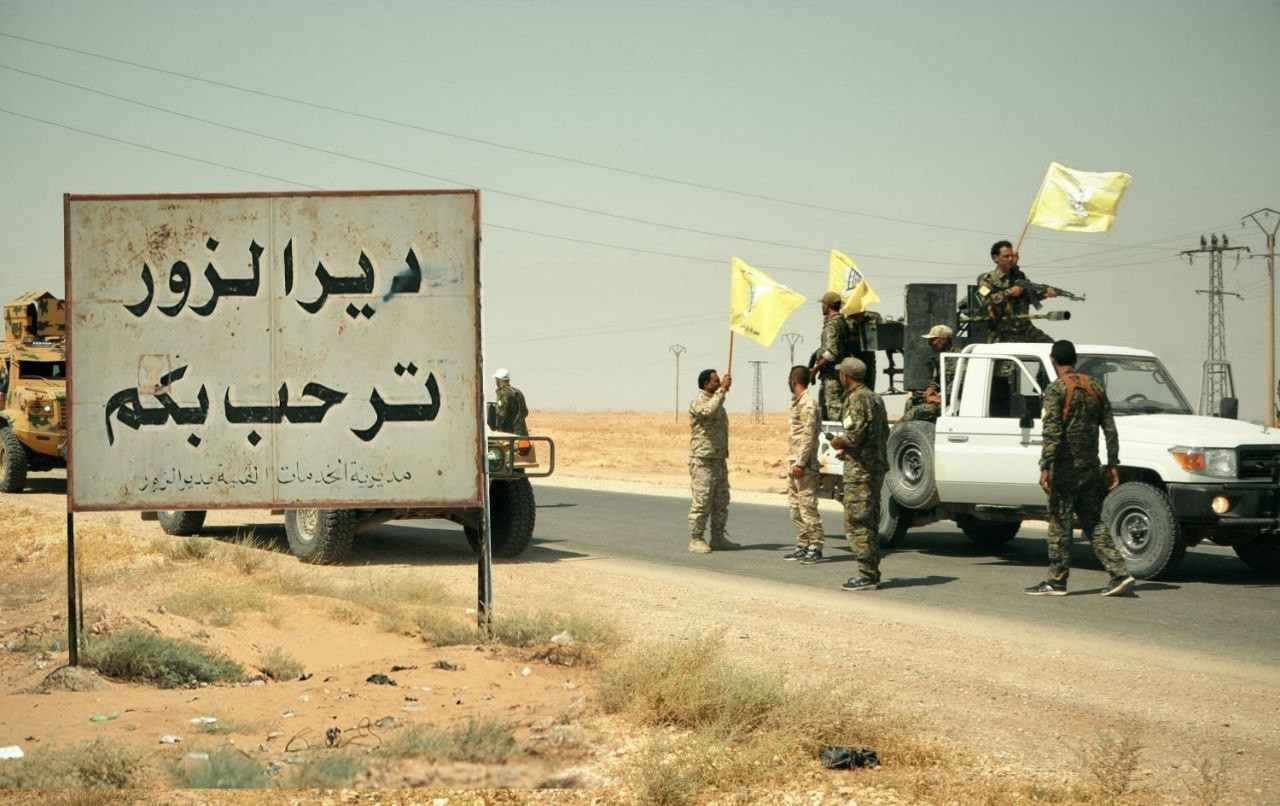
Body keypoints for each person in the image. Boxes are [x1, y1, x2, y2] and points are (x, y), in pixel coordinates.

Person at [1025, 340, 1136, 597]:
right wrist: (1113, 463)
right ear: (1075, 360)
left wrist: (1045, 466)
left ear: (1053, 360)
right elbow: (1110, 428)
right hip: (1090, 467)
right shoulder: (1095, 386)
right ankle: (1120, 573)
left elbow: (1052, 431)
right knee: (1093, 521)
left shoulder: (1056, 389)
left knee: (1059, 522)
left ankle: (1057, 582)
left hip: (1065, 468)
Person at [828, 357, 889, 591]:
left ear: (845, 375)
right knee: (868, 520)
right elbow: (877, 434)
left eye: (840, 374)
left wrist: (839, 442)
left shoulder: (857, 398)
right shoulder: (875, 398)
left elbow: (856, 435)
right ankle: (870, 572)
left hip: (861, 471)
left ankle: (867, 575)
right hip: (871, 468)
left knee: (857, 522)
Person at [687, 368, 740, 554]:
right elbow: (708, 411)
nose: (719, 383)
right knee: (702, 500)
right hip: (703, 461)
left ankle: (718, 538)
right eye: (716, 381)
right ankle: (696, 538)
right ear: (706, 384)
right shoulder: (698, 402)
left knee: (721, 501)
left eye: (719, 381)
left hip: (718, 460)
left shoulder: (718, 403)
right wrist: (722, 390)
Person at [976, 240, 1059, 344]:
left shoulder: (1020, 276)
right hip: (1002, 331)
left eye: (1012, 256)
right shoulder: (987, 279)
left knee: (1052, 347)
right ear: (996, 258)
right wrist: (1009, 292)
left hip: (1025, 329)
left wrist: (1044, 295)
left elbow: (1028, 298)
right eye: (1006, 256)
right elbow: (985, 300)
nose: (1011, 259)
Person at [782, 365, 824, 564]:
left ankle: (815, 546)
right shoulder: (797, 403)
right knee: (795, 506)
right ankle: (803, 543)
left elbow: (808, 435)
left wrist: (800, 463)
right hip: (794, 462)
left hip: (804, 463)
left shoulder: (807, 404)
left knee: (807, 506)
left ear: (794, 381)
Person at [809, 292, 850, 420]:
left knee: (834, 414)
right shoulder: (841, 321)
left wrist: (815, 369)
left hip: (833, 377)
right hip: (839, 375)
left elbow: (832, 352)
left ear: (827, 305)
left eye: (823, 304)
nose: (822, 306)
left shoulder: (833, 324)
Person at [902, 324, 954, 423]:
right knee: (911, 402)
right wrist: (932, 388)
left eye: (933, 339)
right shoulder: (942, 358)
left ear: (944, 340)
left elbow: (961, 385)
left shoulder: (959, 358)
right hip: (943, 400)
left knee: (918, 410)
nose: (930, 343)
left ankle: (902, 429)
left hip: (952, 403)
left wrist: (941, 398)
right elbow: (938, 380)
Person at [493, 369, 528, 435]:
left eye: (496, 379)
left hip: (509, 435)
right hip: (522, 434)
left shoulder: (502, 393)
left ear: (498, 380)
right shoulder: (518, 392)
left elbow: (501, 415)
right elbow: (525, 412)